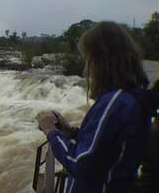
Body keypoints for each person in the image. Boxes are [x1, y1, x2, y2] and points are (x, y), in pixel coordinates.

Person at [36, 21, 157, 193]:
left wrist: (51, 132)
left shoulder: (115, 103)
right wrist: (71, 132)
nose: (86, 69)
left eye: (88, 59)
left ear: (100, 60)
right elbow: (105, 150)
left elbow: (81, 165)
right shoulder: (135, 98)